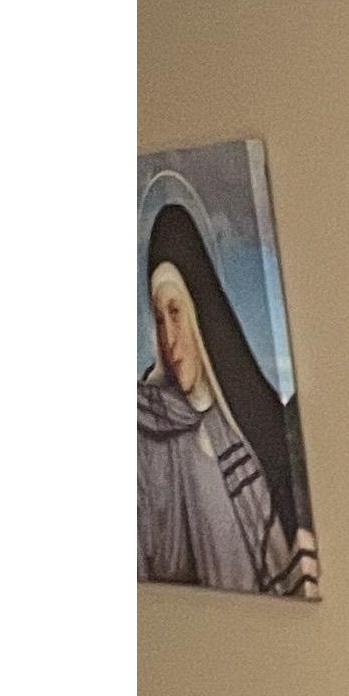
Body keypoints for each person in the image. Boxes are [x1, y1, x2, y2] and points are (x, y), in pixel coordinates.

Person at [138, 204, 318, 596]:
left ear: (200, 316)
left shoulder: (245, 425)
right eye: (159, 319)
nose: (169, 340)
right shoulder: (146, 430)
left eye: (175, 312)